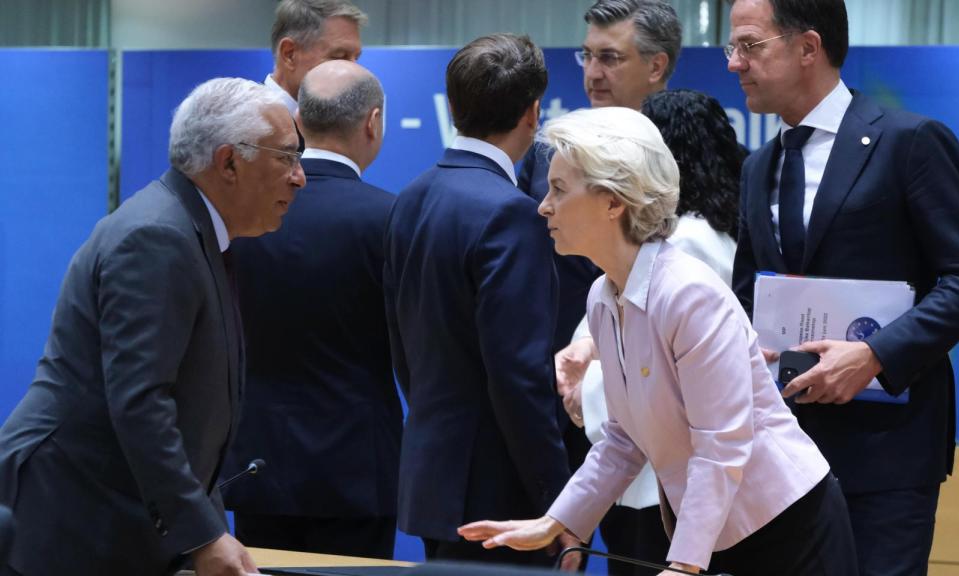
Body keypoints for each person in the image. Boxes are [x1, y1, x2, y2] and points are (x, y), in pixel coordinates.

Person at [458, 106, 858, 576]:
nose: (543, 205)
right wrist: (556, 521)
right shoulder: (603, 295)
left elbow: (722, 444)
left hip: (788, 529)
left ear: (614, 202)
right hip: (717, 527)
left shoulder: (689, 293)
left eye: (560, 189)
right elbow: (624, 438)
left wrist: (685, 565)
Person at [725, 1, 959, 575]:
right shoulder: (757, 166)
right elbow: (749, 291)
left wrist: (876, 354)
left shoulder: (910, 142)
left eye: (750, 46)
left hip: (886, 454)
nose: (734, 63)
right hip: (783, 459)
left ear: (808, 47)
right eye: (732, 48)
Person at [0, 77, 305, 576]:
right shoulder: (157, 236)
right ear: (229, 162)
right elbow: (141, 401)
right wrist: (204, 533)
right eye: (287, 157)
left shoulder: (194, 229)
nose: (299, 177)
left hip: (111, 506)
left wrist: (207, 524)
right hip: (72, 511)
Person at [383, 34, 576, 568]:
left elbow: (402, 345)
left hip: (432, 477)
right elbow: (518, 375)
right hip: (501, 499)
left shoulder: (410, 197)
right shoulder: (512, 213)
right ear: (534, 113)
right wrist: (559, 504)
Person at [520, 2, 684, 570]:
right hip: (575, 412)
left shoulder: (697, 162)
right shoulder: (549, 156)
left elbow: (725, 442)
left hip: (674, 436)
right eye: (587, 55)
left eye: (611, 57)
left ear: (657, 66)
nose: (593, 72)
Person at [556, 89, 745, 576]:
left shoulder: (684, 262)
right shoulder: (608, 287)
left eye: (559, 189)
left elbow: (675, 395)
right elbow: (626, 420)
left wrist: (585, 391)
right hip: (677, 486)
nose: (545, 206)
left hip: (708, 499)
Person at [221, 60, 401, 559]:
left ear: (299, 120)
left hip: (259, 463)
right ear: (373, 122)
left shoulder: (243, 214)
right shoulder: (391, 217)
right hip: (359, 469)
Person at [265, 0, 366, 115]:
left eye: (356, 58)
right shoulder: (251, 123)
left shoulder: (337, 122)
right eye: (339, 57)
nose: (354, 73)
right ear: (289, 55)